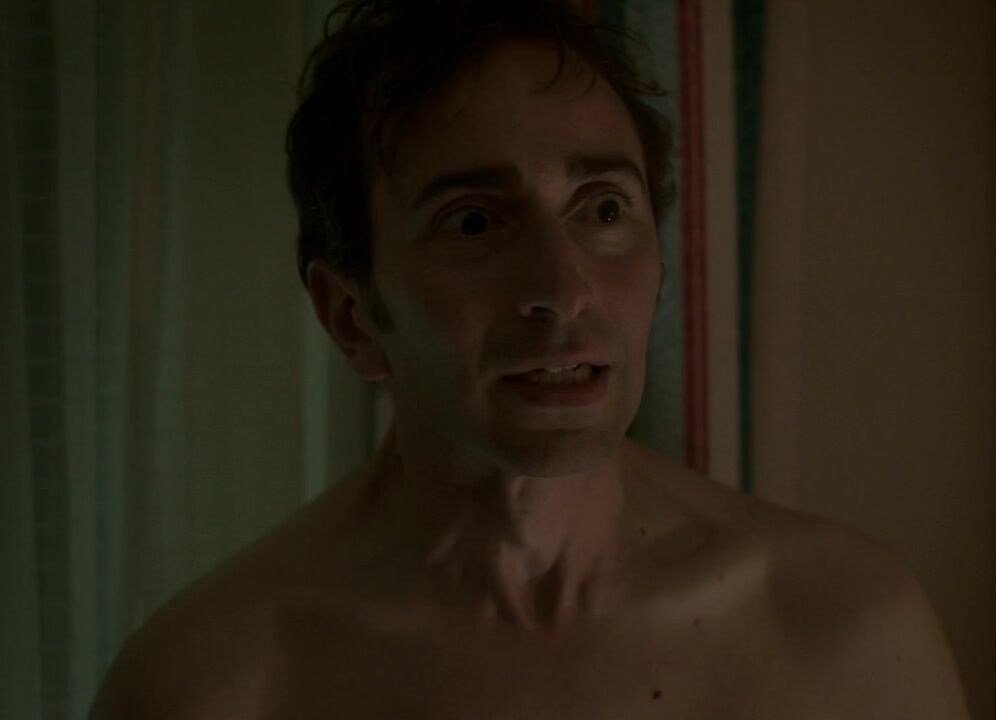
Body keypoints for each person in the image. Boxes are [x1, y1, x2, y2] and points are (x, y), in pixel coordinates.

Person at [90, 1, 971, 717]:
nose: (562, 286)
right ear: (353, 318)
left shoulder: (840, 629)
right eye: (474, 221)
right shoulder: (214, 687)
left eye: (602, 209)